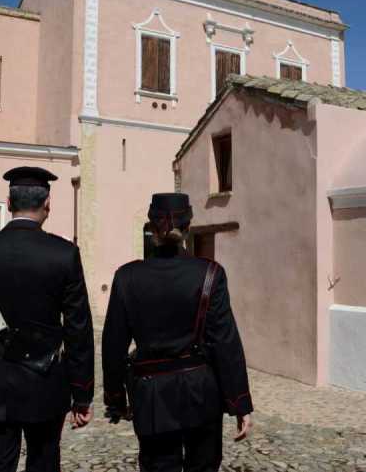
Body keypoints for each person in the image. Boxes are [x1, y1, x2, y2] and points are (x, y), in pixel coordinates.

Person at [0, 166, 95, 472]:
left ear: (8, 203)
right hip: (45, 381)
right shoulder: (64, 254)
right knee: (44, 462)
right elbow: (78, 329)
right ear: (48, 204)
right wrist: (81, 393)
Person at [102, 192, 253, 472]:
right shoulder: (209, 273)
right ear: (188, 226)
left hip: (152, 394)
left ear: (151, 226)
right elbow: (225, 342)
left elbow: (113, 344)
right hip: (201, 392)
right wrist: (239, 402)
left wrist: (115, 398)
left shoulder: (127, 276)